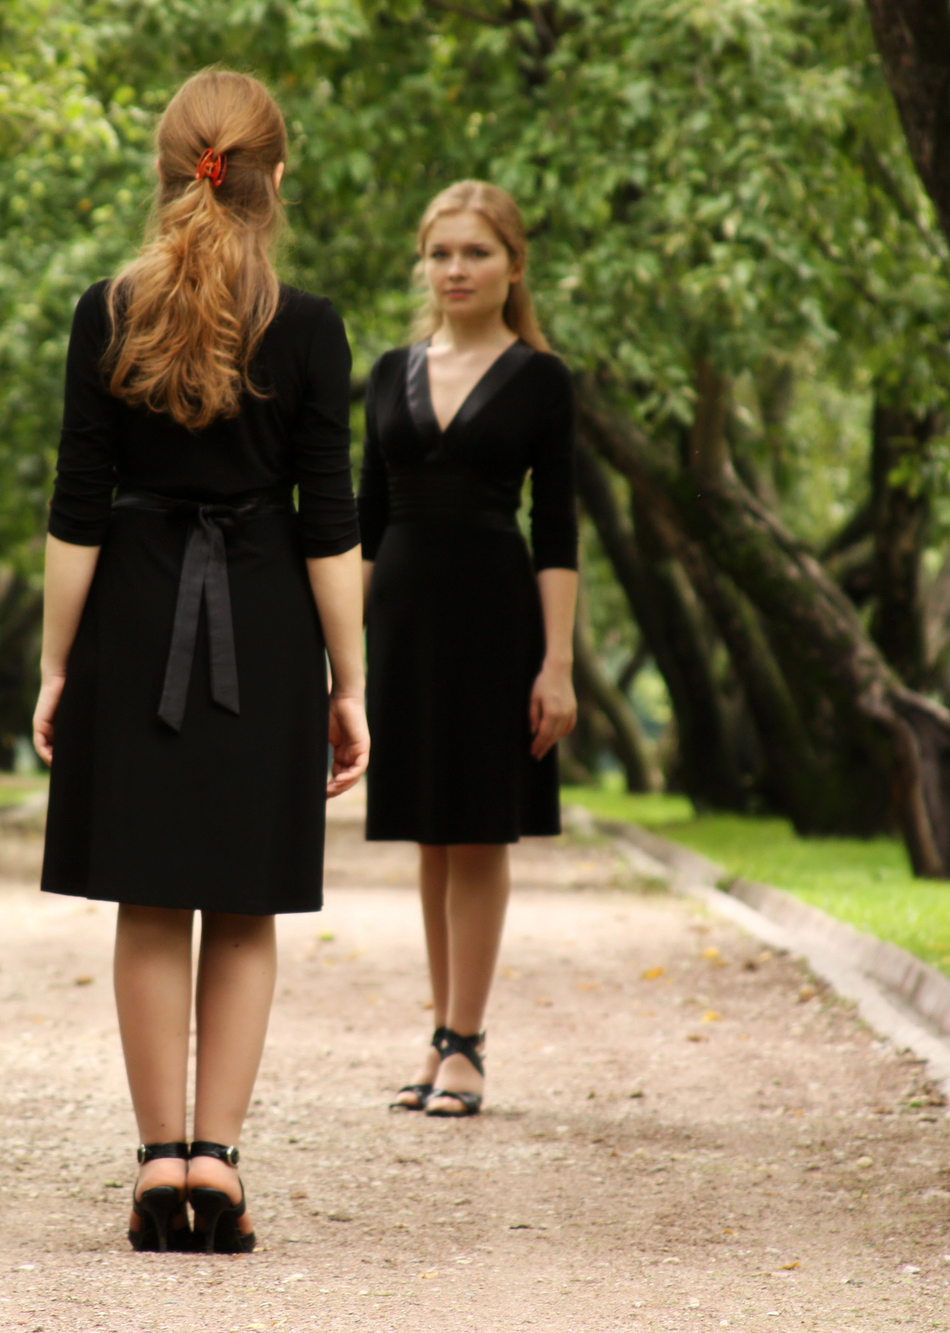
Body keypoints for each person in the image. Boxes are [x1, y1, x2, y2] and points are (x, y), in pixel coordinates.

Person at [32, 69, 369, 1255]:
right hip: (267, 624)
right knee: (240, 897)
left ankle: (154, 1159)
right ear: (275, 178)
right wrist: (350, 682)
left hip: (131, 615)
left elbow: (78, 507)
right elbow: (328, 523)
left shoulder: (103, 310)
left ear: (168, 172)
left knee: (147, 894)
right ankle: (216, 1164)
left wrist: (55, 666)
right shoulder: (315, 326)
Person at [358, 181, 580, 1119]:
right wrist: (339, 659)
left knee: (480, 828)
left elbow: (558, 530)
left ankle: (466, 1044)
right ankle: (441, 1031)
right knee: (428, 828)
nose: (456, 268)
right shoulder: (385, 370)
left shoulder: (541, 379)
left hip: (497, 619)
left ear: (513, 265)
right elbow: (364, 527)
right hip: (402, 618)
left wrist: (557, 664)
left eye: (476, 253)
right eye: (441, 252)